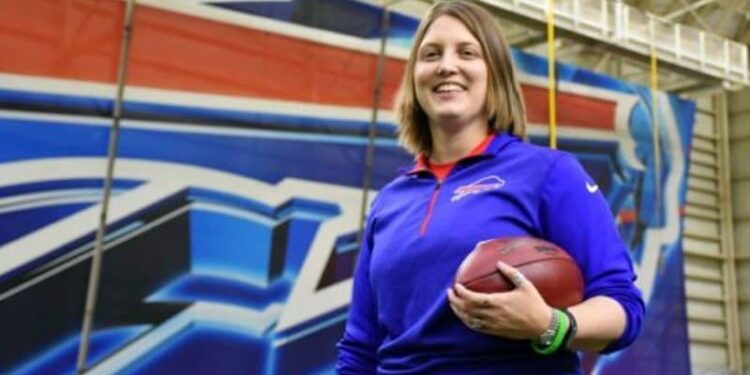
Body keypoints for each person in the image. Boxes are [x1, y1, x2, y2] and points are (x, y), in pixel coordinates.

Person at [336, 1, 645, 374]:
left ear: (494, 74)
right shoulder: (389, 202)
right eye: (430, 54)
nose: (446, 65)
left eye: (467, 52)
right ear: (414, 77)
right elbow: (360, 348)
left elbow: (622, 307)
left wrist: (550, 324)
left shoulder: (550, 173)